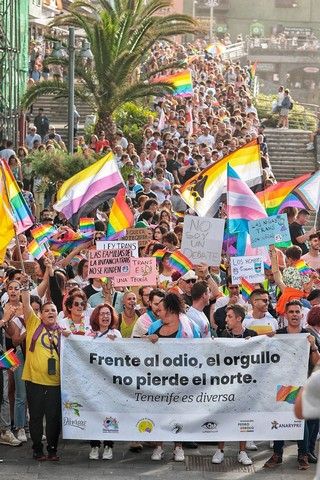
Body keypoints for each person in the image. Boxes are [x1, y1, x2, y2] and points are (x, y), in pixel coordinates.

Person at [264, 300, 320, 471]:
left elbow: (317, 361)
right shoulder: (277, 334)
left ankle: (302, 454)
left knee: (300, 420)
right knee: (280, 418)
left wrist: (313, 347)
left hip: (303, 386)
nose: (294, 314)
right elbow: (259, 351)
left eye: (297, 312)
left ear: (302, 315)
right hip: (281, 385)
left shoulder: (308, 336)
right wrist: (263, 339)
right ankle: (277, 454)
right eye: (291, 312)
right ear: (285, 315)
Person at [21, 273, 69, 461]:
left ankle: (52, 449)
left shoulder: (64, 333)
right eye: (47, 310)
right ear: (40, 314)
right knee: (35, 417)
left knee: (53, 418)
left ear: (57, 314)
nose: (50, 313)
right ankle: (37, 449)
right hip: (34, 381)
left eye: (53, 310)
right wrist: (25, 286)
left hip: (55, 382)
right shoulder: (33, 323)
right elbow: (26, 304)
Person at [147, 293, 200, 461]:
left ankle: (178, 447)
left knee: (180, 413)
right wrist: (149, 340)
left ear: (169, 310)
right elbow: (142, 351)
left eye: (160, 309)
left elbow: (200, 350)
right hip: (158, 379)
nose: (156, 312)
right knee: (159, 413)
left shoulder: (190, 327)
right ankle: (158, 447)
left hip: (181, 380)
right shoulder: (153, 327)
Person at [212, 305, 257, 466]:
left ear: (239, 318)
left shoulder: (252, 335)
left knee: (243, 419)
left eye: (229, 316)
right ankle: (220, 450)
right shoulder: (223, 334)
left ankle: (242, 451)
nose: (226, 320)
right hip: (226, 386)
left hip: (245, 386)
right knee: (223, 417)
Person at [87, 303, 121, 460]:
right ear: (96, 316)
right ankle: (94, 445)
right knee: (94, 412)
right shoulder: (89, 334)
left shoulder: (116, 334)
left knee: (109, 412)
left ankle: (108, 445)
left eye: (108, 313)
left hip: (110, 382)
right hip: (93, 381)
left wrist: (116, 344)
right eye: (102, 314)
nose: (105, 316)